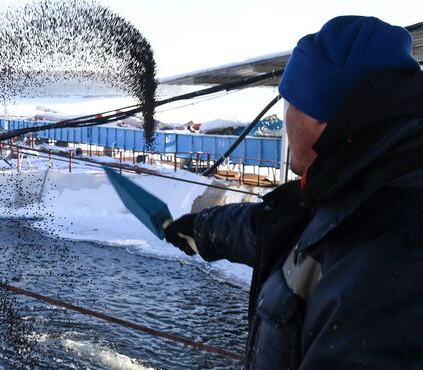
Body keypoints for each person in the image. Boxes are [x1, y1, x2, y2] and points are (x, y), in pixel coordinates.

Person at [164, 16, 423, 369]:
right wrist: (201, 230)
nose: (285, 118)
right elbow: (273, 226)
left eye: (291, 102)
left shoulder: (390, 256)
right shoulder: (350, 191)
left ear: (326, 115)